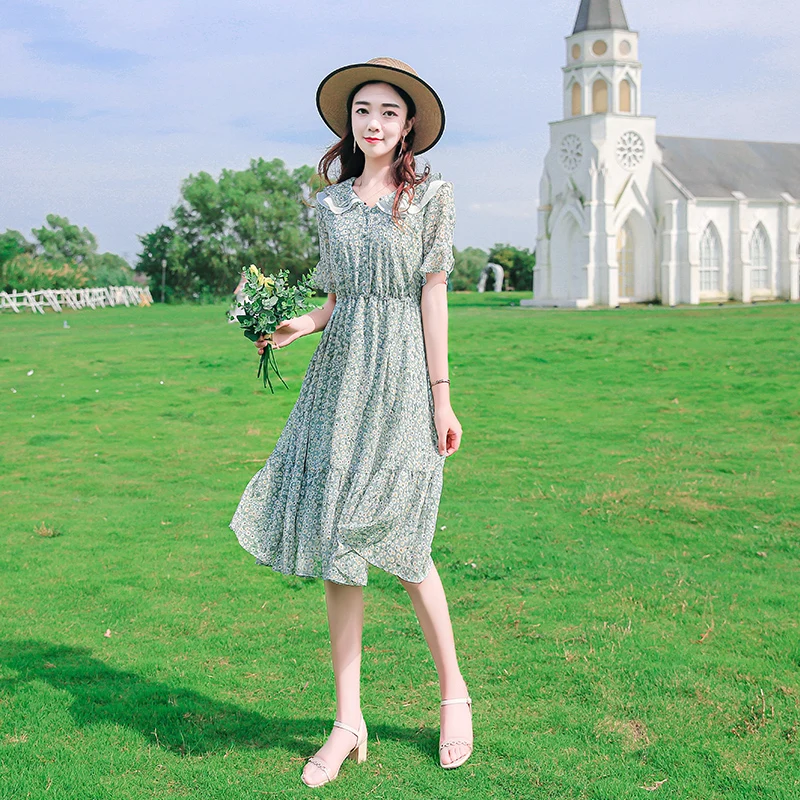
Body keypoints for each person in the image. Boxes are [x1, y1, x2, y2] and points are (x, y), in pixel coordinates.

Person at [228, 56, 471, 787]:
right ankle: (348, 721)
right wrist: (293, 327)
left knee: (404, 538)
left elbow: (432, 295)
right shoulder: (329, 207)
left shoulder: (431, 198)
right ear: (349, 121)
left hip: (402, 379)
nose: (373, 122)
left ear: (408, 127)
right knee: (340, 541)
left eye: (388, 113)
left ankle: (453, 692)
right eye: (363, 111)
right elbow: (336, 299)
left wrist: (441, 394)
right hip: (339, 383)